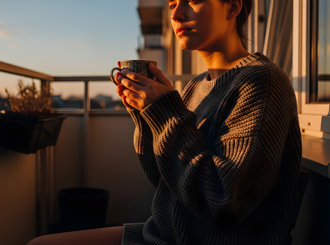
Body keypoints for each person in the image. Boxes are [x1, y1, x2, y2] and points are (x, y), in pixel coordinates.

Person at [28, 0, 304, 244]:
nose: (177, 15)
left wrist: (164, 111)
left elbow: (222, 202)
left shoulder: (261, 81)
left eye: (192, 1)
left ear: (232, 6)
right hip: (166, 233)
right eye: (172, 4)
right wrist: (146, 113)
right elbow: (164, 178)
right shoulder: (195, 87)